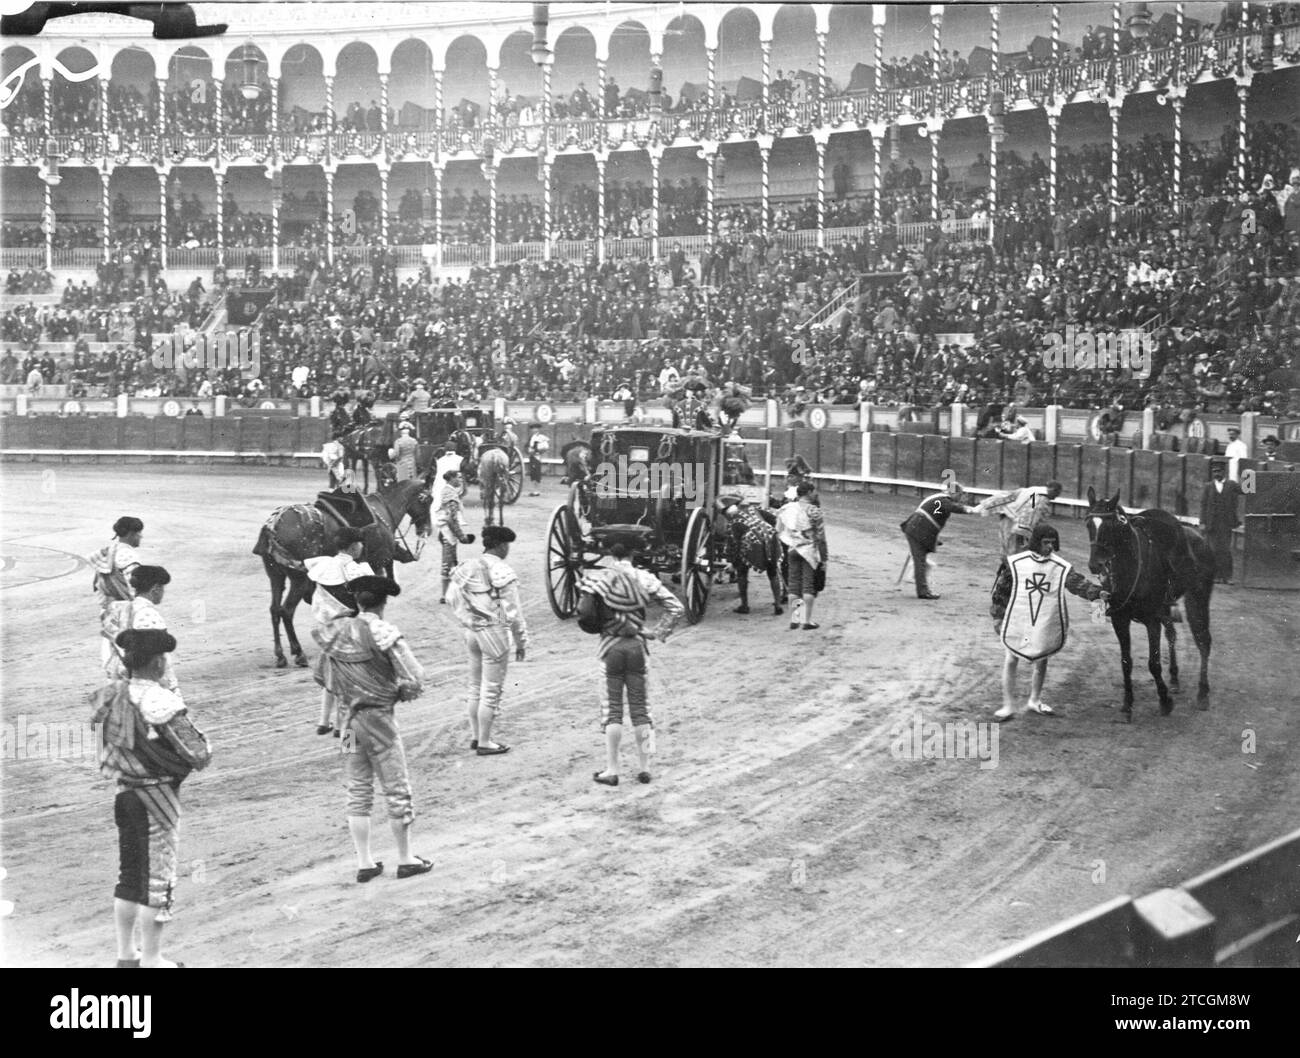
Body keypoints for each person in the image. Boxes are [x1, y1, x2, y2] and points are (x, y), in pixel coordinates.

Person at [92, 628, 211, 967]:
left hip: (124, 794)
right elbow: (200, 753)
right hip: (156, 798)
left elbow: (104, 744)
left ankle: (127, 955)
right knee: (158, 879)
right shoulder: (160, 700)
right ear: (158, 662)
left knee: (129, 875)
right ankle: (154, 960)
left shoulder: (111, 695)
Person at [311, 575, 431, 883]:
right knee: (396, 786)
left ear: (358, 601)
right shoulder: (383, 631)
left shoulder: (335, 632)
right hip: (379, 722)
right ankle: (405, 858)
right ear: (383, 602)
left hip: (347, 725)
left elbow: (323, 676)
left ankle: (365, 862)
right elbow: (415, 679)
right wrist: (395, 693)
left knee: (358, 787)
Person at [578, 542, 684, 787]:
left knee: (612, 711)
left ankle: (612, 770)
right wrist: (657, 632)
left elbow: (584, 614)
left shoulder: (600, 579)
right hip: (637, 646)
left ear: (611, 556)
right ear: (632, 553)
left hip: (610, 647)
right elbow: (675, 608)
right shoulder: (644, 578)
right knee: (642, 710)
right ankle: (646, 768)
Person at [989, 524, 1107, 720]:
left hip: (1042, 618)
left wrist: (1096, 594)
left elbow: (1076, 583)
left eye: (1053, 543)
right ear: (1036, 543)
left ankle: (1034, 700)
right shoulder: (1015, 562)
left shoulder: (1059, 566)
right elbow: (1000, 591)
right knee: (1011, 658)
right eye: (1046, 543)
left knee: (1042, 658)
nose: (1050, 547)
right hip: (1018, 617)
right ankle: (1008, 705)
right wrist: (998, 617)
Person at [445, 525, 529, 756]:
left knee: (475, 687)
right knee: (491, 690)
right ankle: (484, 741)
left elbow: (451, 596)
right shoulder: (503, 571)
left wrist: (468, 619)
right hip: (493, 633)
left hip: (472, 632)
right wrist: (521, 642)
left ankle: (476, 736)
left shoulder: (469, 566)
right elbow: (510, 613)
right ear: (501, 545)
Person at [305, 527, 374, 735]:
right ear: (354, 546)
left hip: (327, 632)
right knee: (350, 688)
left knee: (330, 677)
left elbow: (315, 601)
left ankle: (323, 721)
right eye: (360, 544)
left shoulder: (323, 565)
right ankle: (345, 739)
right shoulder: (359, 571)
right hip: (351, 634)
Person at [101, 565, 176, 690]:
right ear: (156, 589)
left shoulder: (118, 609)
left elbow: (107, 650)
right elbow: (160, 658)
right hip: (143, 683)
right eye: (162, 588)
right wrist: (173, 688)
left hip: (120, 680)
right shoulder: (149, 614)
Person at [900, 479, 974, 600]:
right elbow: (953, 507)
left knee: (921, 561)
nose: (961, 497)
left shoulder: (938, 498)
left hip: (916, 529)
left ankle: (919, 584)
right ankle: (923, 591)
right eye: (960, 494)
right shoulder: (944, 500)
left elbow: (932, 518)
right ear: (953, 493)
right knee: (920, 561)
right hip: (918, 530)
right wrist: (970, 510)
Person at [775, 482, 827, 629]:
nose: (816, 494)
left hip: (792, 550)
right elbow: (821, 538)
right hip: (809, 551)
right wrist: (824, 558)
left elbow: (778, 530)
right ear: (809, 492)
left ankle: (796, 618)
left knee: (794, 585)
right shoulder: (814, 511)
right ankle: (806, 621)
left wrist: (789, 540)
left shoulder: (787, 508)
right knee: (808, 586)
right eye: (814, 491)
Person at [975, 481, 1063, 554]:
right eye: (1057, 494)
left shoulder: (1031, 490)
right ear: (1053, 490)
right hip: (1017, 524)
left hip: (1006, 518)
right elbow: (1031, 512)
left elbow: (1006, 496)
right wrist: (1025, 533)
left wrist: (985, 506)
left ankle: (1007, 570)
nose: (1055, 498)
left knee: (1006, 548)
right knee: (1016, 551)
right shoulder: (1040, 498)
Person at [432, 469, 475, 600]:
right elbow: (452, 519)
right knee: (447, 561)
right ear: (451, 479)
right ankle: (444, 595)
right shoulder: (450, 494)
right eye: (458, 477)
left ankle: (451, 592)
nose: (461, 480)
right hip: (448, 532)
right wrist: (462, 537)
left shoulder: (448, 491)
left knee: (452, 560)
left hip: (445, 530)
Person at [89, 516, 144, 613]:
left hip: (108, 609)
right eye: (139, 532)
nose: (141, 536)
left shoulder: (108, 551)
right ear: (131, 534)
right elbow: (134, 586)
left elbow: (97, 583)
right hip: (126, 611)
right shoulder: (128, 555)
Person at [1200, 459, 1242, 584]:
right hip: (1211, 523)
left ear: (1224, 472)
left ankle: (1227, 577)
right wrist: (1202, 522)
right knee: (1212, 550)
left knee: (1225, 550)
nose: (1216, 474)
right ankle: (1216, 576)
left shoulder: (1232, 485)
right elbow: (1203, 505)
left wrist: (1250, 474)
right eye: (1214, 471)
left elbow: (1246, 490)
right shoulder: (1208, 487)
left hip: (1226, 523)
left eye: (1218, 471)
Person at [526, 423, 548, 497]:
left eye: (535, 428)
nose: (534, 430)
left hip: (537, 457)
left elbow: (545, 447)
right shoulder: (531, 437)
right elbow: (526, 446)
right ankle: (534, 490)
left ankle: (537, 490)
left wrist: (536, 451)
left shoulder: (541, 437)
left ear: (538, 429)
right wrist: (528, 450)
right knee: (532, 474)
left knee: (537, 474)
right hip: (532, 457)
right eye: (533, 428)